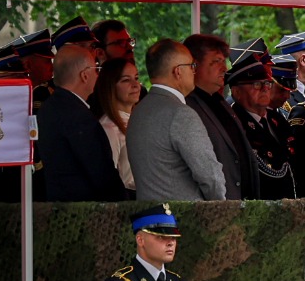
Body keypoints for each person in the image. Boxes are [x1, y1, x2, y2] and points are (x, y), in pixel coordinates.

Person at [127, 40, 227, 202]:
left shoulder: (138, 111)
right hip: (184, 214)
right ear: (178, 72)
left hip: (148, 213)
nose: (194, 71)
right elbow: (210, 176)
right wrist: (220, 206)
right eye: (192, 66)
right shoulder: (181, 114)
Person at [37, 44, 128, 202]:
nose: (97, 75)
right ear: (84, 76)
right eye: (96, 69)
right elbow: (101, 173)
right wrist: (125, 205)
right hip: (84, 209)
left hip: (57, 205)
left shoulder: (49, 107)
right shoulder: (77, 116)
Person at [183, 34, 257, 200]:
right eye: (216, 61)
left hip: (241, 204)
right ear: (194, 65)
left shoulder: (220, 102)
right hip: (215, 206)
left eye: (224, 61)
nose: (224, 68)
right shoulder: (187, 107)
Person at [227, 50, 297, 200]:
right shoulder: (233, 125)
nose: (265, 88)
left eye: (267, 83)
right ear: (237, 92)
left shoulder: (278, 120)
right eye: (257, 84)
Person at [95, 56, 143, 197]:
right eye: (126, 80)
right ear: (111, 86)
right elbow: (106, 179)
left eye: (136, 78)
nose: (135, 85)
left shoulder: (138, 120)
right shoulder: (109, 128)